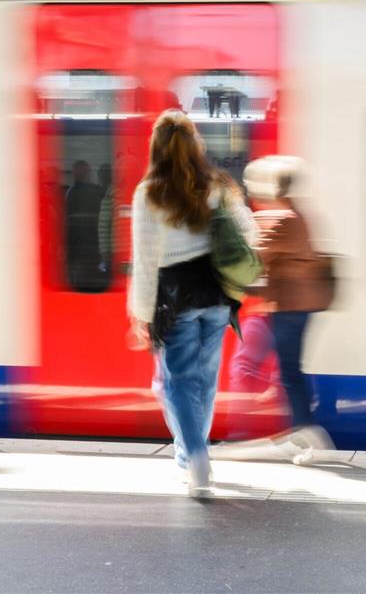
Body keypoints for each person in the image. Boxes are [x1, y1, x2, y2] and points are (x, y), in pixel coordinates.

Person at [127, 109, 257, 497]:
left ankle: (194, 459)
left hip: (176, 297)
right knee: (204, 380)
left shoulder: (149, 192)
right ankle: (194, 454)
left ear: (157, 148)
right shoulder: (217, 184)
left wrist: (142, 313)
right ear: (195, 145)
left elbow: (145, 259)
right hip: (216, 295)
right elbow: (249, 232)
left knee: (179, 382)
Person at [242, 156, 334, 464]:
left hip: (290, 306)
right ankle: (302, 433)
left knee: (289, 372)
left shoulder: (285, 220)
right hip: (296, 305)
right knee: (289, 371)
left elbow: (257, 256)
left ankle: (308, 436)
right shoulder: (296, 216)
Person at [65, 159, 105, 289]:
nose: (88, 174)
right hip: (89, 244)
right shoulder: (94, 191)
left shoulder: (70, 193)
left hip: (78, 245)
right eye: (86, 171)